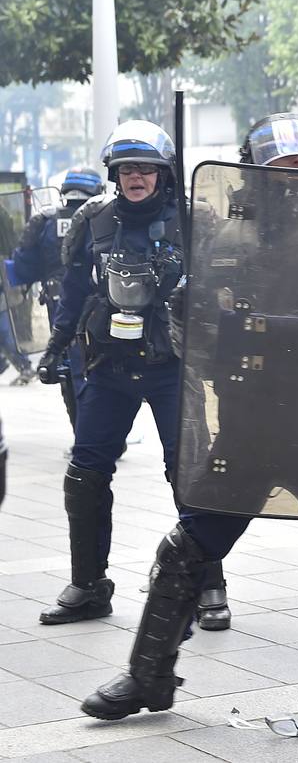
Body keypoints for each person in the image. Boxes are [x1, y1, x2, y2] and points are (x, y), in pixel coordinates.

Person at [79, 112, 298, 743]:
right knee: (185, 549)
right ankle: (149, 678)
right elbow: (198, 337)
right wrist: (187, 311)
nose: (292, 177)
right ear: (253, 171)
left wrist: (260, 334)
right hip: (246, 419)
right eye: (280, 166)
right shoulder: (228, 240)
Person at [30, 123, 216, 627]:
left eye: (147, 169)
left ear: (162, 174)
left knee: (191, 474)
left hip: (173, 367)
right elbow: (73, 294)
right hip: (109, 367)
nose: (137, 177)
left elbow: (225, 290)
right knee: (86, 471)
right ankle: (88, 585)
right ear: (115, 174)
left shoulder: (194, 223)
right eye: (128, 169)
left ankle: (206, 586)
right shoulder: (93, 221)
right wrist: (56, 348)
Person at [7, 168, 105, 430]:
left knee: (69, 372)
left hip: (60, 309)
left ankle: (84, 435)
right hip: (101, 308)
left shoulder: (46, 221)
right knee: (102, 370)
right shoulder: (105, 217)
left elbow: (22, 266)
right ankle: (102, 433)